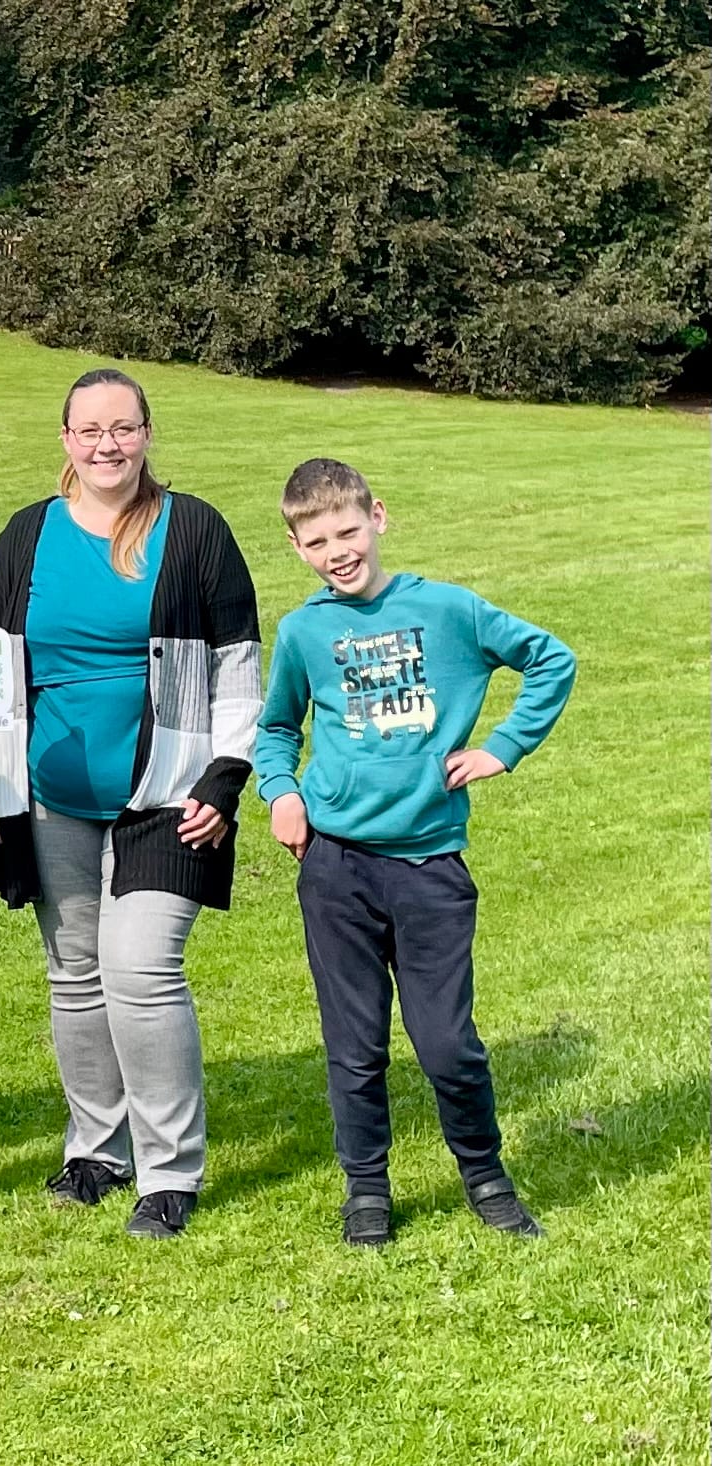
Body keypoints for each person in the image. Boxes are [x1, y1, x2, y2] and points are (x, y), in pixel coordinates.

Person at [0, 367, 261, 1241]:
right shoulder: (29, 534)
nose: (107, 444)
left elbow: (239, 663)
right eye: (90, 429)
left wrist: (224, 777)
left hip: (171, 796)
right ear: (64, 440)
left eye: (123, 428)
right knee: (75, 975)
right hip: (49, 795)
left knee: (140, 970)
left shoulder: (195, 528)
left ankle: (168, 1170)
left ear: (146, 433)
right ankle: (97, 1149)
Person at [252, 458, 575, 1247]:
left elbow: (550, 660)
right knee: (353, 1045)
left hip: (429, 865)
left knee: (444, 1044)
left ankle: (484, 1173)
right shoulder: (303, 632)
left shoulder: (448, 610)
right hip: (335, 867)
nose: (337, 550)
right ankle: (365, 1189)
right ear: (297, 547)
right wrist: (281, 792)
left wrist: (502, 747)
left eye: (347, 531)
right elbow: (275, 730)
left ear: (378, 519)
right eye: (317, 539)